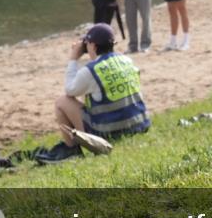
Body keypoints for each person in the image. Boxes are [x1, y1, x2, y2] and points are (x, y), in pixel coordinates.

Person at [38, 22, 151, 163]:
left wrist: (73, 58)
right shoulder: (127, 60)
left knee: (62, 102)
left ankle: (71, 149)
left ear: (94, 46)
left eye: (88, 43)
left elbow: (70, 90)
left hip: (109, 133)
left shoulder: (91, 70)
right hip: (138, 125)